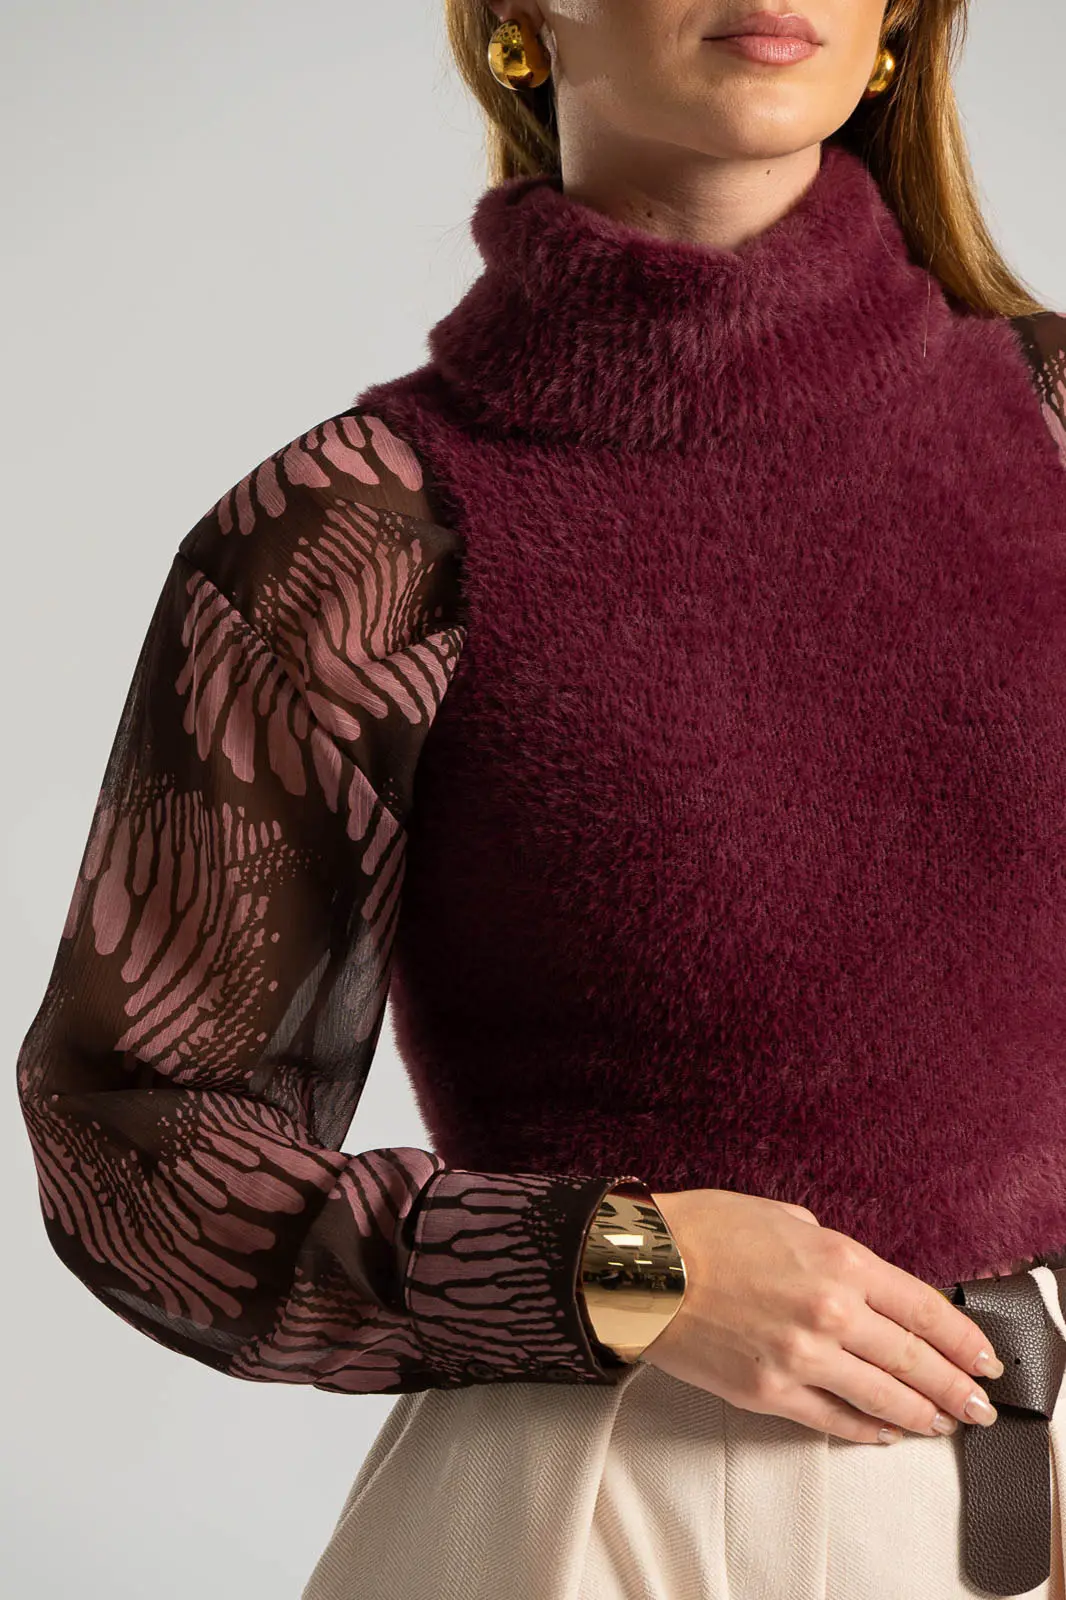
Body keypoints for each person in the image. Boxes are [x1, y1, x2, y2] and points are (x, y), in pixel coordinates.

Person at [16, 1, 1066, 1596]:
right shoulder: (360, 535)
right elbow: (133, 1142)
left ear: (897, 24)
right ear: (516, 16)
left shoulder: (1049, 429)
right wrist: (619, 1264)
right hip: (605, 1517)